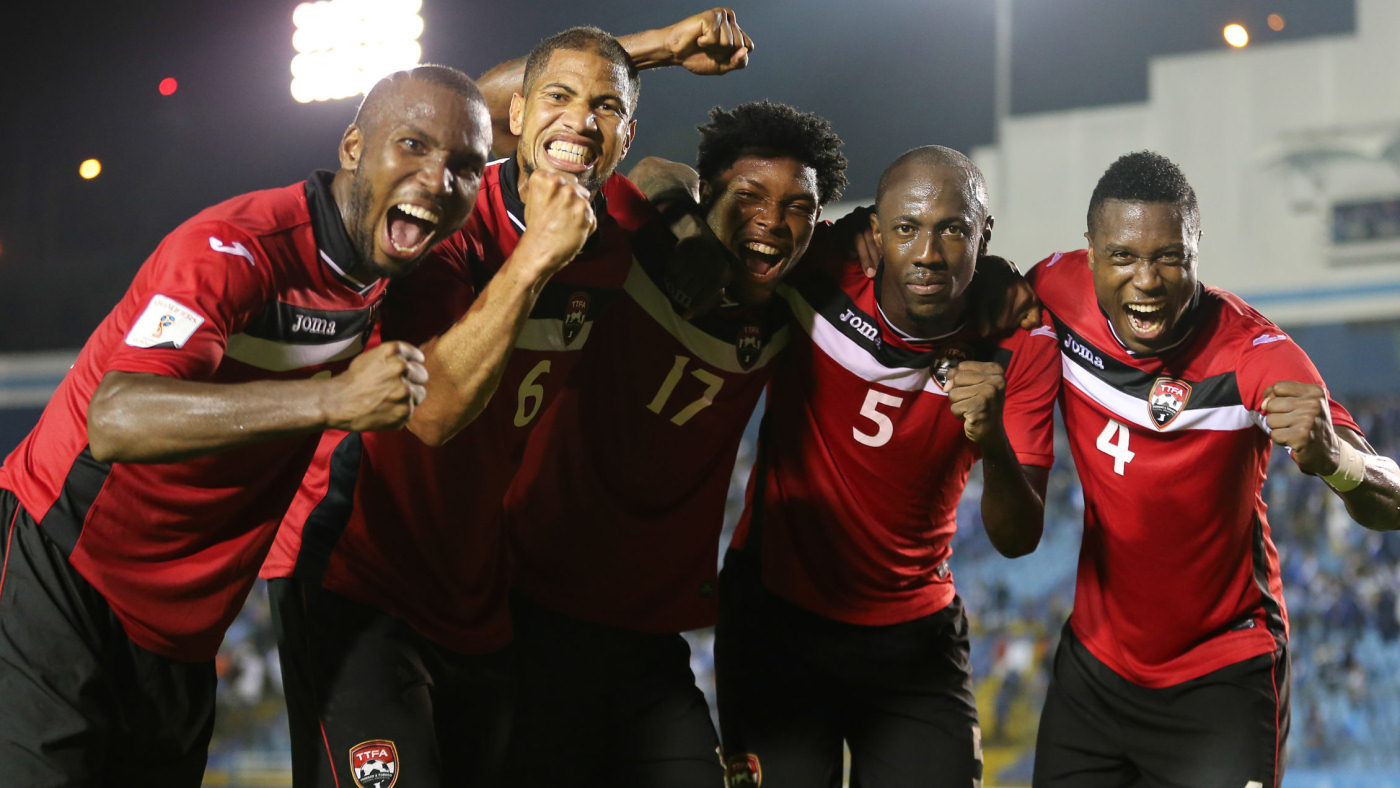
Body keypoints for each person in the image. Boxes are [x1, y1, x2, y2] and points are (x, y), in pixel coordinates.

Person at [259, 15, 754, 788]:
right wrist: (534, 261)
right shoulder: (444, 216)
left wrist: (683, 210)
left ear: (625, 136)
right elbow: (433, 414)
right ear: (515, 117)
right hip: (359, 571)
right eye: (556, 98)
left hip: (481, 596)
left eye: (606, 109)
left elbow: (665, 178)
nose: (580, 122)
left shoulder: (615, 229)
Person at [0, 65, 492, 786]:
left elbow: (520, 107)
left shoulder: (397, 261)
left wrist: (642, 52)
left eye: (464, 167)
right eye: (411, 145)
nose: (437, 179)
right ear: (353, 146)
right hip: (68, 566)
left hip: (187, 628)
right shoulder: (236, 248)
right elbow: (116, 415)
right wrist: (330, 400)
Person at [501, 100, 848, 787]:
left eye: (797, 207)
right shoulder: (634, 248)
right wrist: (686, 229)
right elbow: (652, 171)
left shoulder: (798, 297)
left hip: (649, 635)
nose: (773, 221)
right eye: (748, 197)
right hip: (535, 608)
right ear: (709, 192)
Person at [1026, 150, 1400, 788]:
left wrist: (1337, 460)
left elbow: (1390, 498)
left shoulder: (1255, 353)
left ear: (1198, 246)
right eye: (1122, 256)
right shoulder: (1053, 291)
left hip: (1223, 679)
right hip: (1093, 671)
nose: (1146, 279)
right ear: (1089, 252)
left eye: (1170, 256)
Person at [715, 146, 1060, 787]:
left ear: (984, 236)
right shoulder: (818, 267)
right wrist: (844, 227)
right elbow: (715, 218)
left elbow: (1017, 539)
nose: (928, 253)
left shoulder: (1023, 341)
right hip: (776, 614)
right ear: (875, 231)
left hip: (914, 634)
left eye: (953, 230)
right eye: (906, 228)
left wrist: (992, 442)